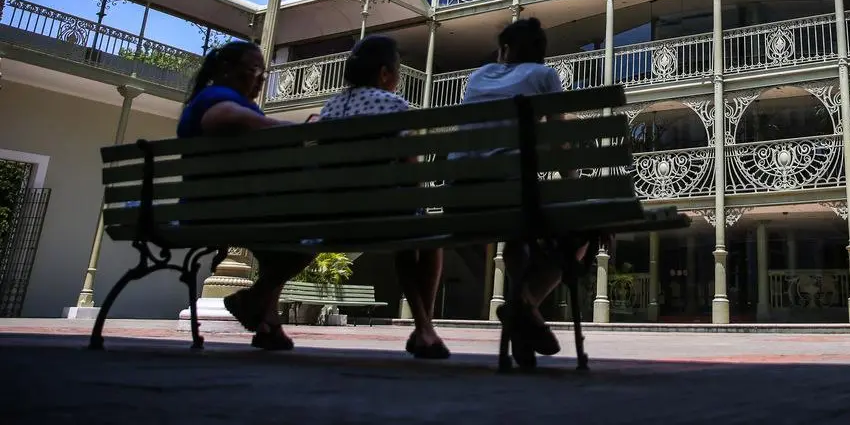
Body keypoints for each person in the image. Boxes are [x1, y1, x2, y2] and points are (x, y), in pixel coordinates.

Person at [458, 18, 587, 364]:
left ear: (505, 50)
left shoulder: (477, 77)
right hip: (511, 195)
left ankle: (524, 326)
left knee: (519, 239)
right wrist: (574, 185)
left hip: (461, 197)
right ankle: (522, 304)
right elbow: (559, 143)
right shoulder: (544, 76)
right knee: (583, 228)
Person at [318, 34, 449, 360]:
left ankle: (424, 328)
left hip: (327, 214)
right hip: (382, 216)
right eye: (399, 70)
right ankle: (424, 327)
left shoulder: (331, 107)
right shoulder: (393, 105)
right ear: (384, 74)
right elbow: (410, 168)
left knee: (408, 227)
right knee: (425, 237)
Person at [177, 40, 310, 351]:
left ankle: (267, 322)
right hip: (220, 209)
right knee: (312, 233)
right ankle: (255, 302)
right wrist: (281, 127)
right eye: (254, 70)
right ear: (227, 70)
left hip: (213, 206)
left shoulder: (210, 98)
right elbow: (220, 118)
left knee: (282, 244)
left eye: (263, 73)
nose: (260, 79)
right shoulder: (217, 97)